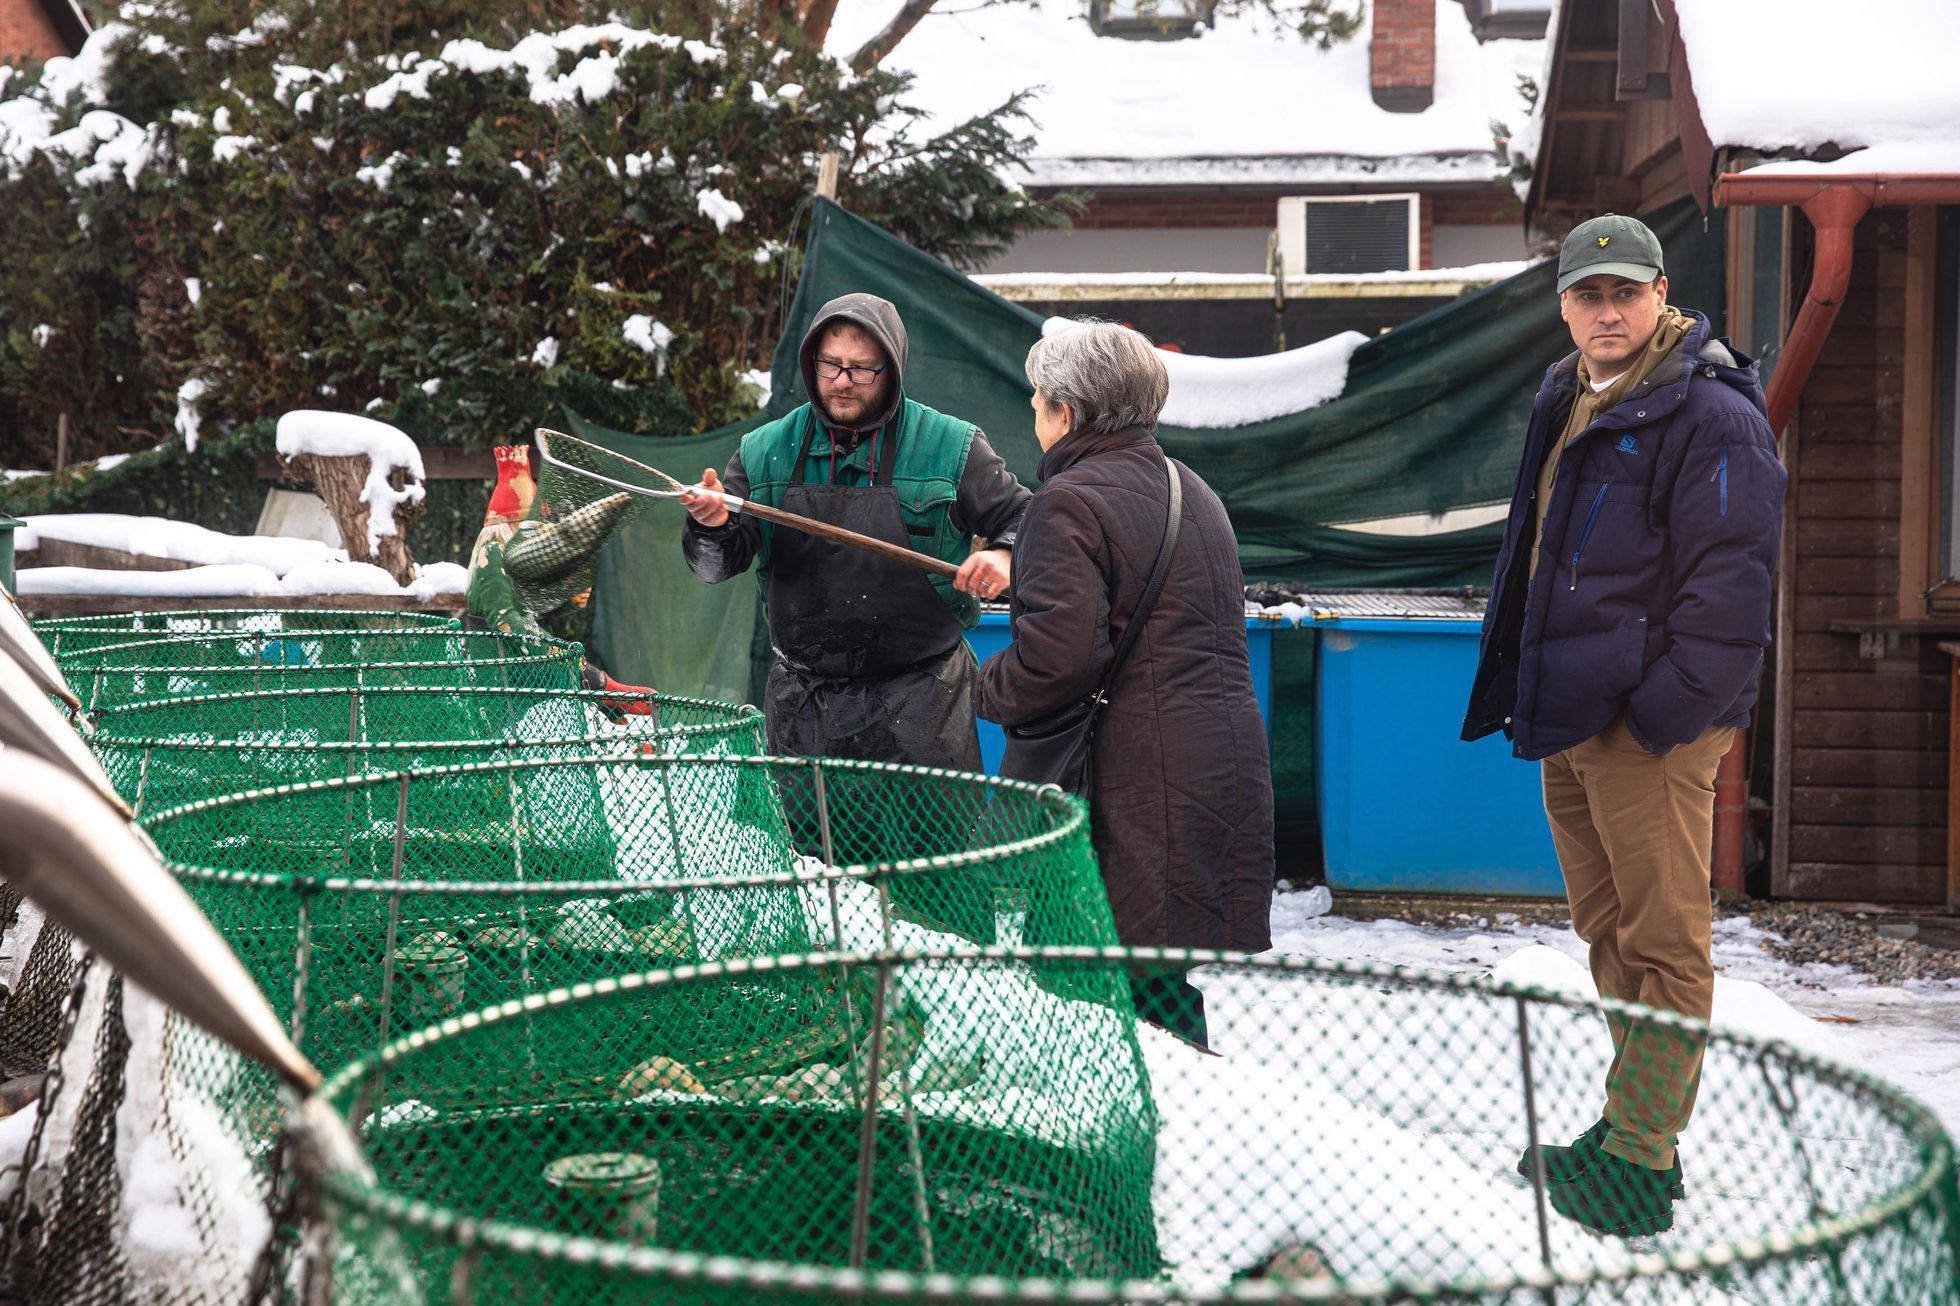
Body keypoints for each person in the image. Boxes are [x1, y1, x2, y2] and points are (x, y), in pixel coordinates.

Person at [1461, 214, 1785, 1236]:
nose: (1606, 311)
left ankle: (1639, 1162)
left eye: (1625, 294)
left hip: (1649, 726)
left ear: (1658, 296)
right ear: (1562, 305)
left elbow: (1730, 592)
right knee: (1606, 932)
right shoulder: (1569, 391)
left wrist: (1663, 717)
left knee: (1663, 942)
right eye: (1586, 296)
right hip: (1572, 710)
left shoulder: (1711, 412)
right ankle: (1630, 1122)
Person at [974, 321, 1274, 1047]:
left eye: (1039, 401)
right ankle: (1181, 1132)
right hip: (1214, 764)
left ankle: (1127, 1150)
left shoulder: (1067, 501)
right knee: (1157, 976)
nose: (1035, 416)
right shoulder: (1192, 488)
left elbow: (1060, 660)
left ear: (1067, 414)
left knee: (1098, 991)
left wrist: (983, 685)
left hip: (1132, 780)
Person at [680, 293, 1031, 773]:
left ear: (892, 370)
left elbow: (1024, 518)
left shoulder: (949, 446)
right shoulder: (765, 451)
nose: (842, 382)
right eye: (830, 366)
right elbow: (715, 565)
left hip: (923, 707)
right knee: (805, 849)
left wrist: (1005, 555)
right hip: (801, 711)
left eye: (861, 370)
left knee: (932, 849)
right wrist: (712, 526)